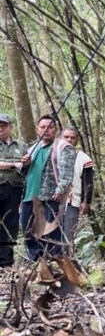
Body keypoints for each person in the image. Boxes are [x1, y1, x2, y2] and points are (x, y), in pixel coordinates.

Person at [19, 115, 76, 262]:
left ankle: (54, 260)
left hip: (50, 196)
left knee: (51, 231)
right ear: (37, 130)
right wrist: (24, 164)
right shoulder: (33, 148)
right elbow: (25, 173)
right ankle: (35, 259)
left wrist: (60, 189)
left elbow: (67, 172)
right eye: (43, 127)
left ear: (56, 130)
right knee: (28, 229)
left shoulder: (62, 147)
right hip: (29, 196)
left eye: (50, 127)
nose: (46, 130)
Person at [60, 126, 94, 253]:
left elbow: (88, 181)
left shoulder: (83, 158)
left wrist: (86, 201)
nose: (69, 140)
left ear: (77, 140)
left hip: (72, 201)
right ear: (60, 138)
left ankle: (68, 261)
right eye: (66, 137)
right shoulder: (52, 154)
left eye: (73, 138)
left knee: (68, 233)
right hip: (51, 201)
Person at [0, 114, 26, 267]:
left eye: (4, 126)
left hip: (14, 188)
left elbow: (26, 163)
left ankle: (6, 260)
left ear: (10, 127)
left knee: (11, 223)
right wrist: (14, 164)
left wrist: (24, 162)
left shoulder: (21, 146)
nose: (1, 129)